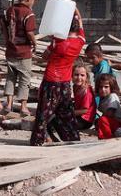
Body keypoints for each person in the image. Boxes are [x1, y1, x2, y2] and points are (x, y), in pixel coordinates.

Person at [30, 9, 84, 146]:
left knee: (43, 113)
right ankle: (73, 139)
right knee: (67, 113)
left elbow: (44, 57)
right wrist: (74, 7)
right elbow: (80, 21)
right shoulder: (80, 41)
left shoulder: (57, 42)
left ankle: (37, 141)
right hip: (65, 83)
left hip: (51, 81)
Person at [2, 0, 38, 116]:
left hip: (11, 51)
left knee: (11, 78)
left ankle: (9, 103)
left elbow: (4, 28)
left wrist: (7, 42)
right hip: (24, 52)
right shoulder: (29, 13)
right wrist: (35, 43)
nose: (33, 3)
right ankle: (23, 106)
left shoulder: (10, 10)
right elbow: (29, 32)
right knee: (24, 79)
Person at [95, 74, 121, 139]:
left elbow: (110, 113)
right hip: (111, 121)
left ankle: (108, 137)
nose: (103, 89)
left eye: (106, 87)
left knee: (102, 120)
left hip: (119, 122)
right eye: (100, 87)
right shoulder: (102, 98)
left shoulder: (112, 96)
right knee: (100, 121)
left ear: (112, 87)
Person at [72, 63, 98, 130]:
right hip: (79, 114)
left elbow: (85, 110)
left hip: (85, 120)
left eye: (82, 75)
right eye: (76, 75)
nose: (79, 78)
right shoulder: (76, 86)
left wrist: (70, 113)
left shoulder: (86, 91)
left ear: (86, 77)